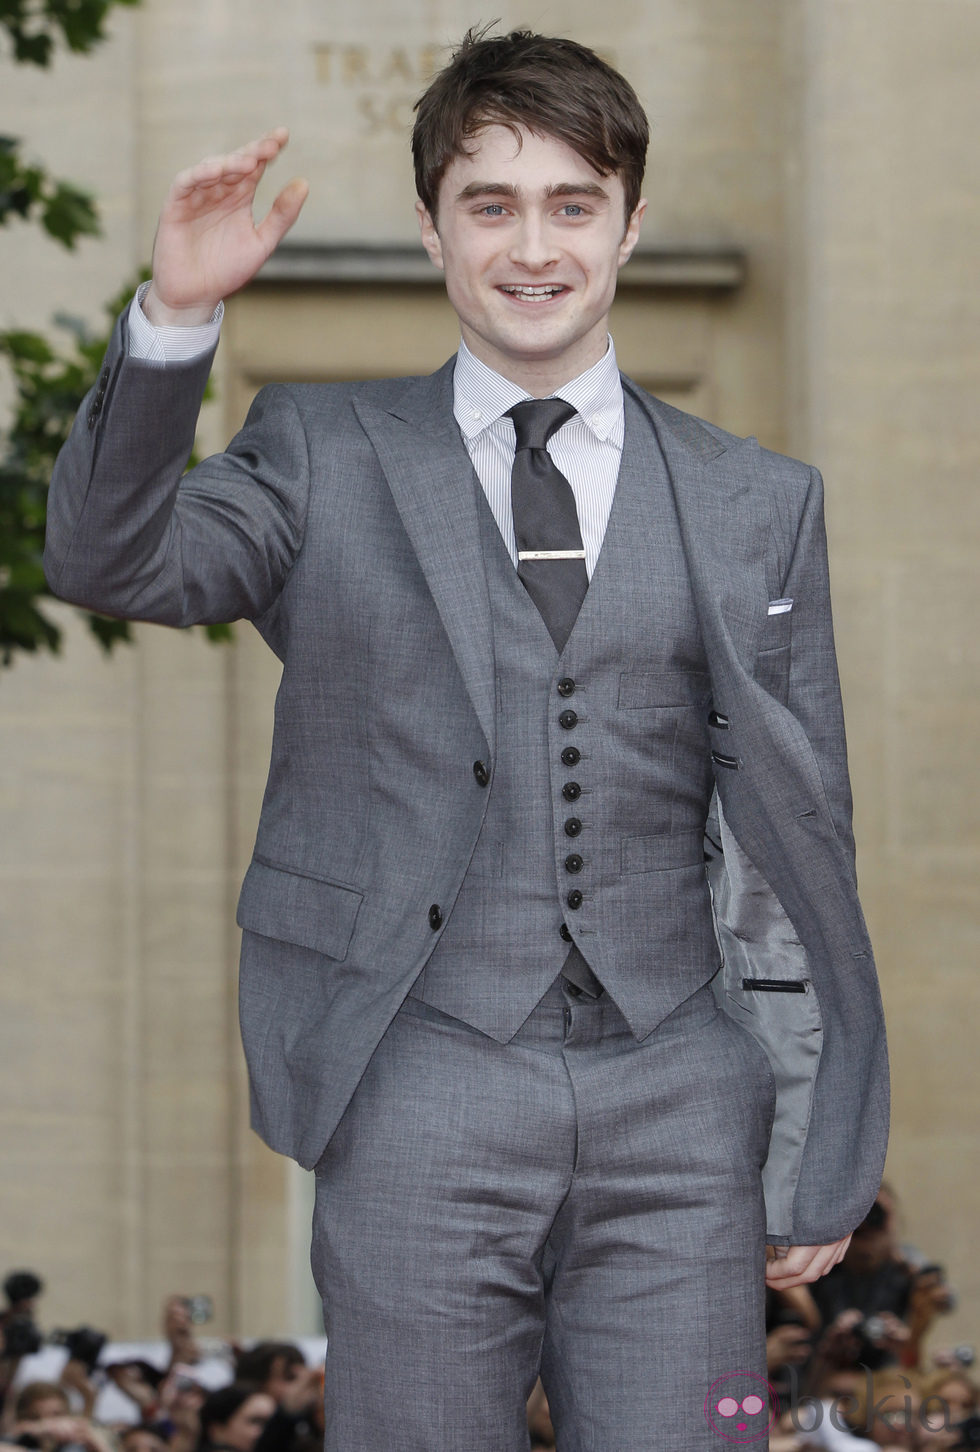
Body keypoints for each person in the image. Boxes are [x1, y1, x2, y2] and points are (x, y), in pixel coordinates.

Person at [44, 26, 889, 1451]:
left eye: (573, 202)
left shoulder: (761, 501)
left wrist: (812, 1128)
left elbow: (798, 832)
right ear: (435, 228)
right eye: (490, 204)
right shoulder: (317, 452)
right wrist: (174, 320)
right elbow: (112, 562)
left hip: (683, 1094)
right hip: (417, 1080)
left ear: (631, 223)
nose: (533, 245)